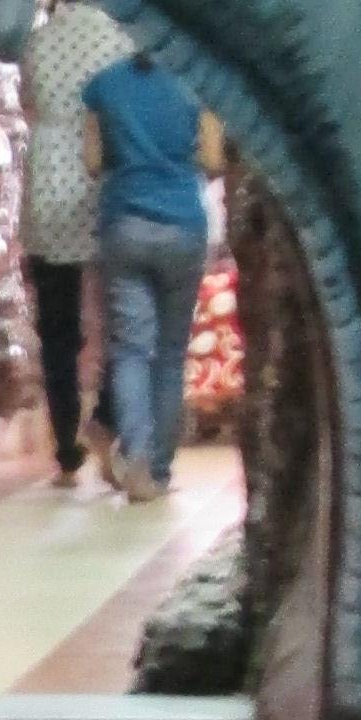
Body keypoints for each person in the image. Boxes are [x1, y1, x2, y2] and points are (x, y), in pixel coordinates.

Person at [81, 33, 222, 501]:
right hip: (183, 226)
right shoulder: (198, 82)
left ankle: (136, 458)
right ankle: (160, 471)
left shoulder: (104, 85)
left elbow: (92, 162)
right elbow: (213, 158)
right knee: (170, 353)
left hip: (124, 225)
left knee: (130, 350)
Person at [16, 0, 129, 482]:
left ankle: (64, 442)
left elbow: (29, 103)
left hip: (47, 180)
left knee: (57, 327)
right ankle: (106, 415)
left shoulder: (37, 43)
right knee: (121, 315)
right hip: (99, 178)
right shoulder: (117, 38)